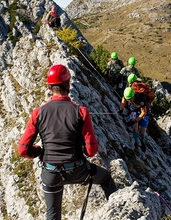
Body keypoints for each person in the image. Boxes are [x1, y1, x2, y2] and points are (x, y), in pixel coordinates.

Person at [18, 64, 117, 220]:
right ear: (68, 84)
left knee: (52, 213)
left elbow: (23, 149)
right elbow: (91, 151)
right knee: (105, 178)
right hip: (77, 170)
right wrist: (82, 149)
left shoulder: (38, 112)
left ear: (49, 87)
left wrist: (40, 151)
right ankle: (117, 213)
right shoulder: (80, 111)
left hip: (50, 172)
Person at [118, 87, 150, 152]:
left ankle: (142, 141)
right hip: (134, 110)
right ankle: (136, 142)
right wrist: (121, 109)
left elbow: (143, 112)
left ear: (134, 96)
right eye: (128, 99)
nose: (129, 101)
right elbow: (123, 100)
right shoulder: (127, 95)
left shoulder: (141, 98)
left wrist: (136, 120)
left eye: (130, 99)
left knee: (142, 131)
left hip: (144, 111)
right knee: (134, 127)